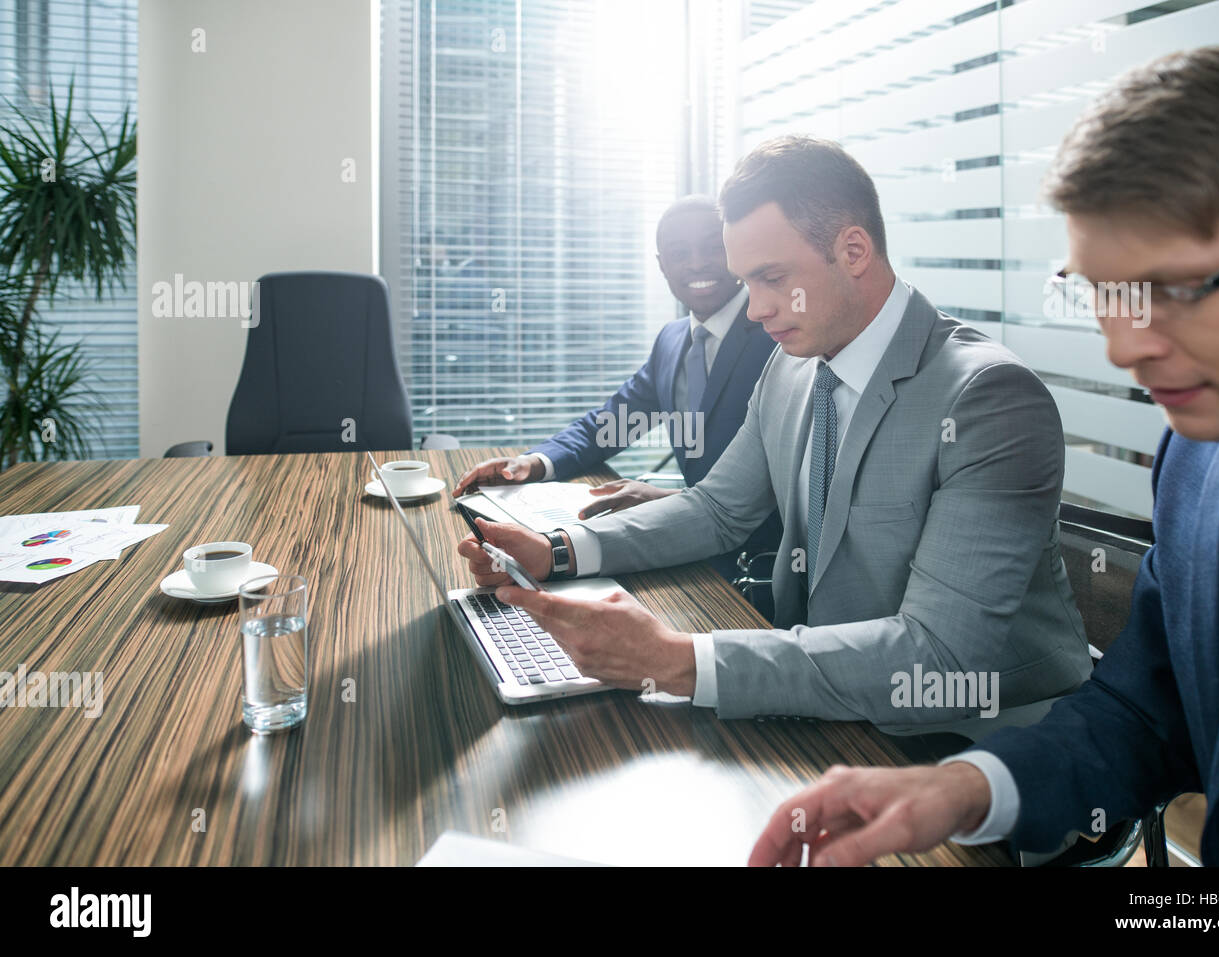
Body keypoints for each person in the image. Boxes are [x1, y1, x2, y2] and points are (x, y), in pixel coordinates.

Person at [748, 45, 1219, 867]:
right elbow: (1147, 715)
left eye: (1177, 287)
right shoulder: (1200, 462)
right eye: (1102, 294)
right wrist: (965, 788)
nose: (1125, 350)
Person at [456, 135, 1091, 735]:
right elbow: (719, 510)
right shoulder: (792, 364)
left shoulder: (988, 399)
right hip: (821, 702)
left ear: (853, 251)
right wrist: (559, 550)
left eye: (769, 278)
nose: (754, 309)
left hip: (967, 737)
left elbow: (941, 656)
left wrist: (683, 661)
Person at [451, 195, 781, 606]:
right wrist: (534, 463)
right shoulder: (673, 340)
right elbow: (613, 422)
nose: (697, 263)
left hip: (756, 569)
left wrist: (674, 501)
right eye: (680, 253)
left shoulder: (779, 334)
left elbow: (791, 488)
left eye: (713, 247)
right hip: (686, 554)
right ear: (662, 265)